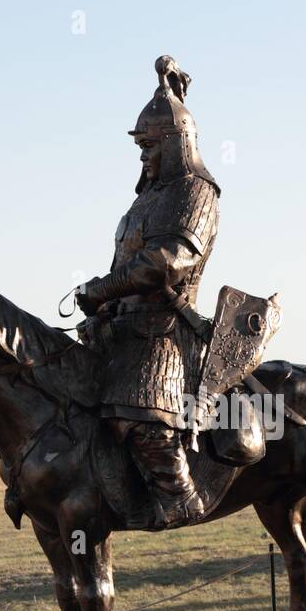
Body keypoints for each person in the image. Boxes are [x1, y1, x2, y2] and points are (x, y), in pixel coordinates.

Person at [73, 56, 220, 529]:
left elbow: (167, 262)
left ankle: (181, 498)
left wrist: (102, 289)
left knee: (143, 416)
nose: (143, 157)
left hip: (165, 335)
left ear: (177, 145)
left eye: (151, 146)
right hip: (123, 329)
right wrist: (102, 307)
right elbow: (126, 264)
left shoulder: (196, 193)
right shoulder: (146, 199)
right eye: (140, 147)